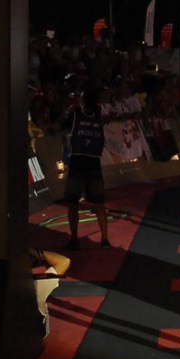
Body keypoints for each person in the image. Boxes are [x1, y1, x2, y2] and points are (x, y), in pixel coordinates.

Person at [62, 85, 112, 249]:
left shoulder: (76, 114)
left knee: (73, 203)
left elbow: (62, 124)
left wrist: (70, 109)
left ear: (83, 100)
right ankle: (105, 239)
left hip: (78, 164)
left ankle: (74, 238)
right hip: (93, 165)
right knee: (99, 203)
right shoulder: (99, 116)